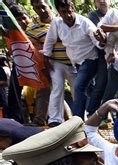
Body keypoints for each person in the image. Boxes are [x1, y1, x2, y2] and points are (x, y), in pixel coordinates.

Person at [45, 0, 106, 119]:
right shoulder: (57, 23)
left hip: (90, 60)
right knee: (89, 90)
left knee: (78, 87)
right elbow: (49, 41)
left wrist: (102, 40)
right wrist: (46, 57)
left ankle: (77, 120)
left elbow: (98, 42)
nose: (68, 15)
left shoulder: (85, 23)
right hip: (76, 63)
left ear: (73, 9)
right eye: (64, 12)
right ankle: (101, 111)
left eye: (69, 11)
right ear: (59, 13)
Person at [32, 0, 75, 128]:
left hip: (74, 62)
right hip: (54, 63)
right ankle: (55, 120)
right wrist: (44, 63)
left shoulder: (64, 19)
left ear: (50, 6)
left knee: (78, 90)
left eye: (43, 6)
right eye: (37, 8)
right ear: (34, 9)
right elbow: (37, 47)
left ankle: (79, 117)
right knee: (57, 89)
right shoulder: (33, 28)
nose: (41, 10)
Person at [85, 0, 110, 117]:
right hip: (100, 54)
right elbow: (100, 33)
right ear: (95, 3)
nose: (102, 1)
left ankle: (108, 113)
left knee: (115, 85)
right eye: (99, 0)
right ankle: (92, 111)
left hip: (117, 54)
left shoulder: (115, 14)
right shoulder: (93, 16)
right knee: (101, 82)